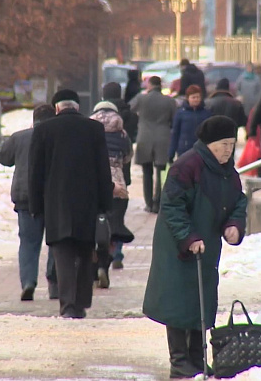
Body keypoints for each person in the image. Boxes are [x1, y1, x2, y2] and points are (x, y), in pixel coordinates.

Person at [143, 116, 247, 379]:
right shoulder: (187, 165)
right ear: (209, 144)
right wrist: (188, 237)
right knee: (179, 301)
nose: (228, 150)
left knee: (201, 300)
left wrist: (234, 224)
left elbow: (238, 201)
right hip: (178, 246)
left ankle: (197, 358)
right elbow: (172, 205)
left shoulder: (227, 172)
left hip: (206, 246)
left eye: (232, 144)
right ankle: (179, 361)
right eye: (223, 144)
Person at [28, 89, 112, 319]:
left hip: (56, 202)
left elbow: (35, 172)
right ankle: (82, 302)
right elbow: (103, 169)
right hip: (88, 201)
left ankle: (67, 305)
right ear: (77, 106)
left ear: (57, 108)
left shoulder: (44, 130)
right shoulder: (93, 129)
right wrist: (105, 203)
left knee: (62, 254)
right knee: (85, 252)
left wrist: (35, 205)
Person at [0, 104, 59, 301]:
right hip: (53, 199)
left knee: (28, 243)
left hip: (25, 198)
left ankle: (28, 282)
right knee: (56, 242)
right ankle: (55, 284)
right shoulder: (59, 138)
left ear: (34, 120)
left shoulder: (20, 137)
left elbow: (3, 157)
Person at [90, 101, 134, 285]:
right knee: (113, 229)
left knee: (93, 229)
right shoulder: (123, 134)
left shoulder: (88, 130)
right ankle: (105, 264)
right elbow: (127, 157)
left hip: (94, 185)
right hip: (118, 186)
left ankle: (93, 267)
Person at [130, 76, 177, 213]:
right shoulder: (169, 101)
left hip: (145, 137)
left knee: (147, 171)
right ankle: (158, 201)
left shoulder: (141, 98)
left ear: (149, 85)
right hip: (163, 137)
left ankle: (149, 203)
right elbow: (174, 119)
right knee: (161, 172)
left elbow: (129, 108)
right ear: (160, 85)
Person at [168, 85, 212, 163]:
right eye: (193, 97)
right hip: (184, 149)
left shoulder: (206, 113)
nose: (196, 100)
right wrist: (171, 153)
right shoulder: (180, 113)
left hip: (202, 150)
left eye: (198, 97)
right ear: (188, 98)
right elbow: (175, 133)